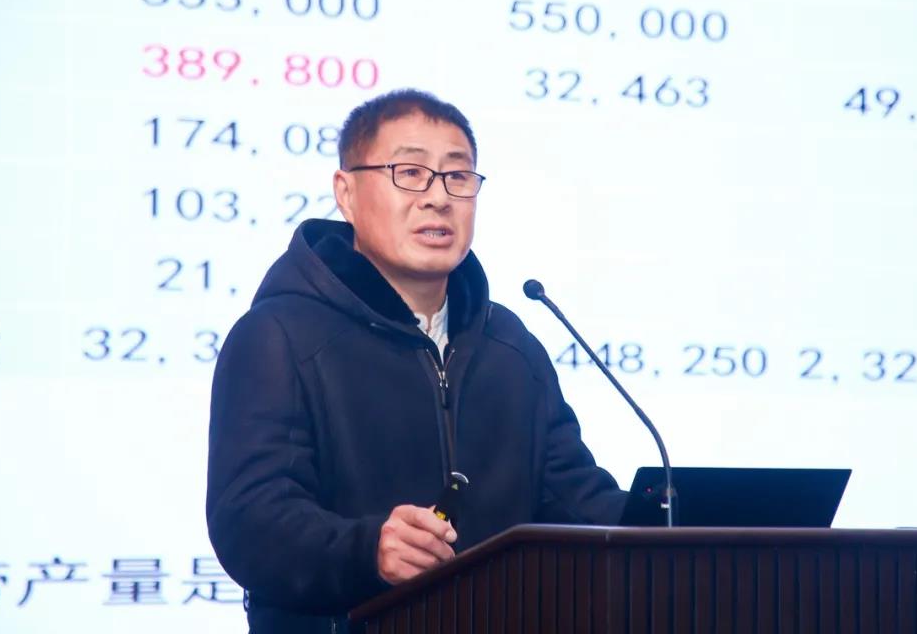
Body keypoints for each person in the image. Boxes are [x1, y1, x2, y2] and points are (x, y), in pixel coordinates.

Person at [206, 89, 626, 633]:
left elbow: (577, 503)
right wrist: (366, 550)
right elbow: (251, 521)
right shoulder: (278, 336)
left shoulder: (510, 345)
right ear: (346, 193)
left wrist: (681, 522)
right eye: (410, 173)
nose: (438, 198)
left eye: (458, 176)